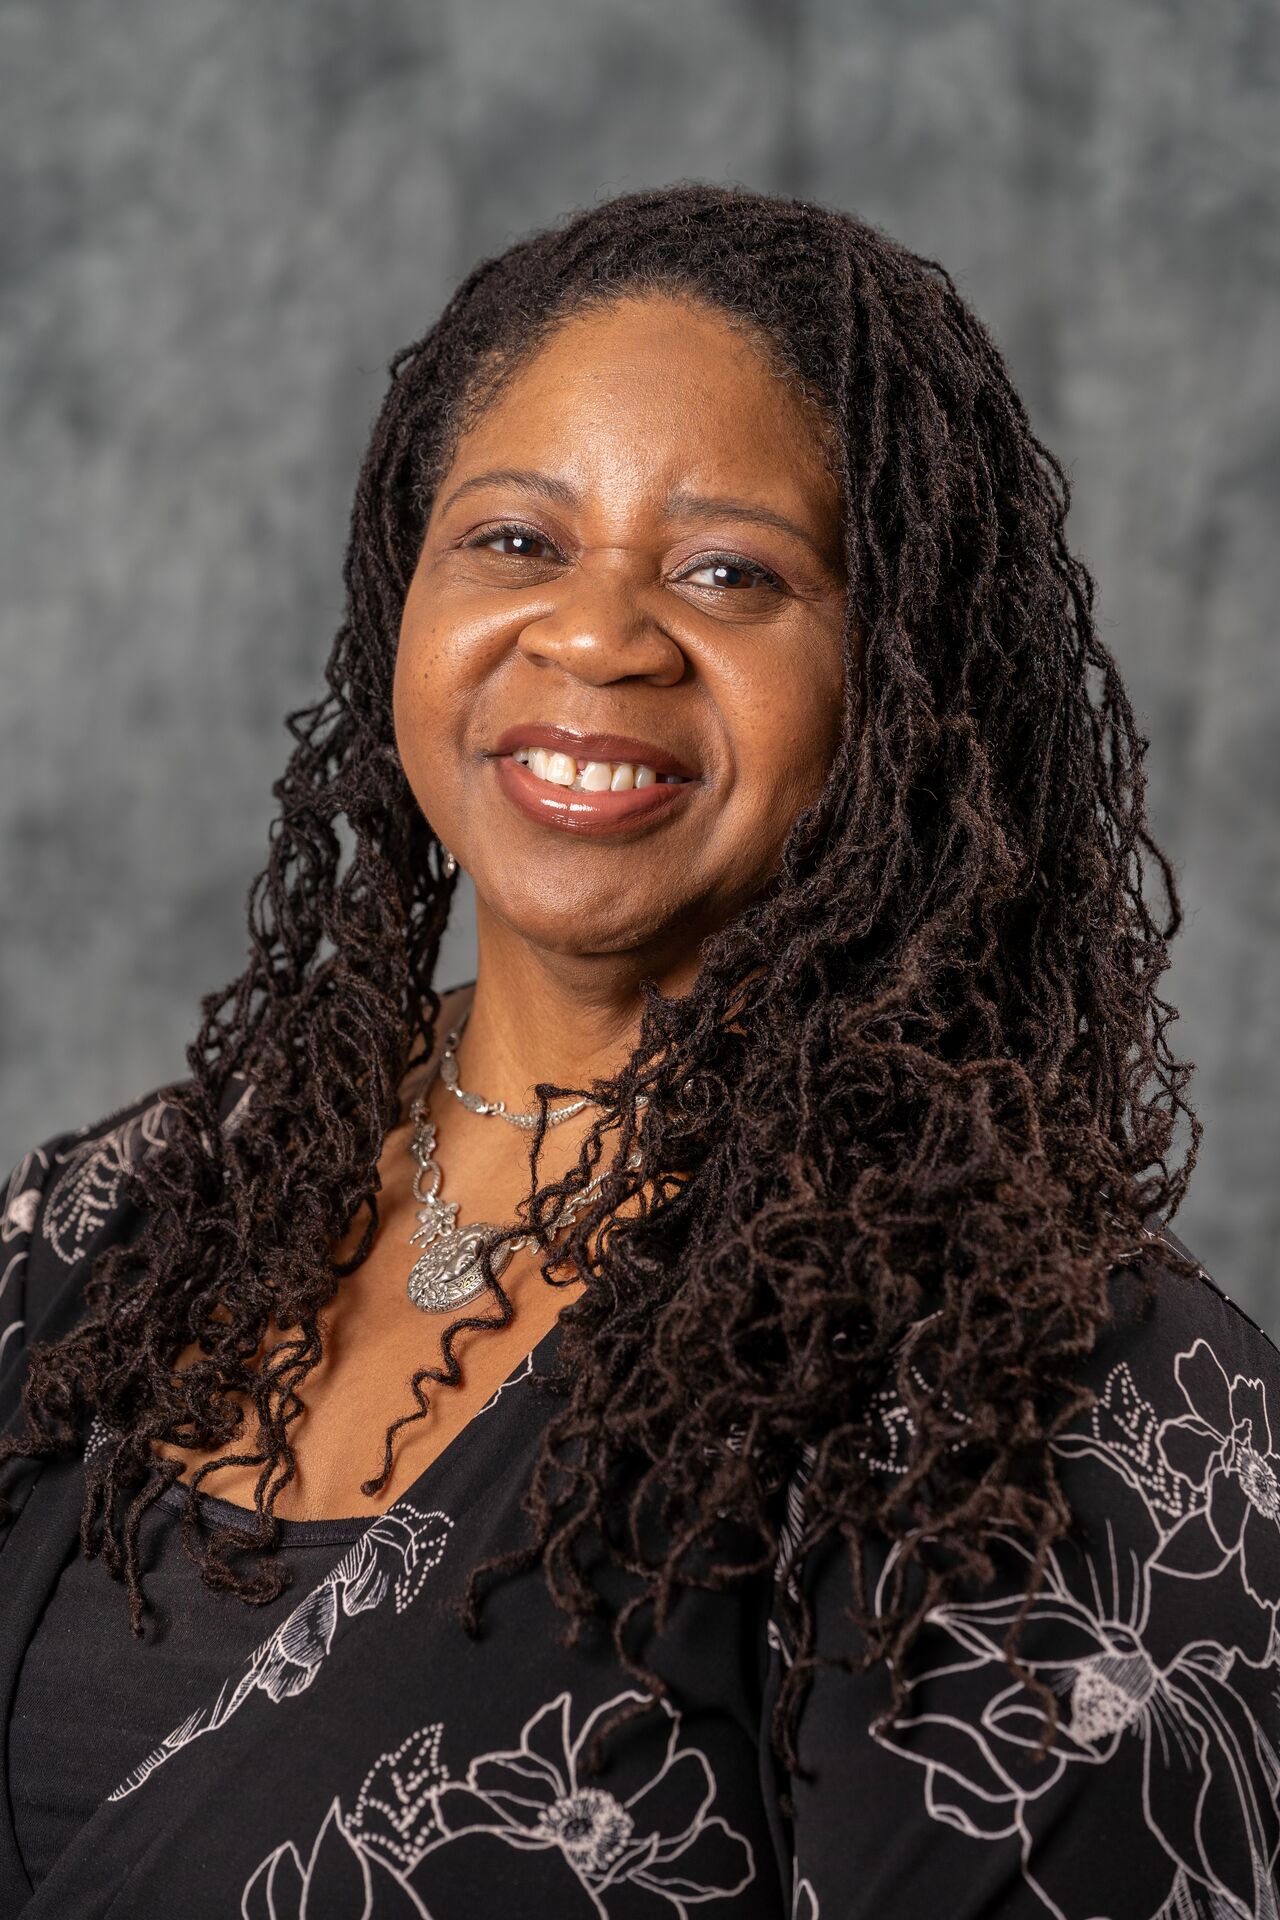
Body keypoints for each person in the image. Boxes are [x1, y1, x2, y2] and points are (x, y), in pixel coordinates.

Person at [1, 182, 1276, 1920]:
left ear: (898, 682)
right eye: (516, 541)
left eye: (729, 572)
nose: (596, 635)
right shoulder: (105, 1234)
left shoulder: (1030, 1380)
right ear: (402, 598)